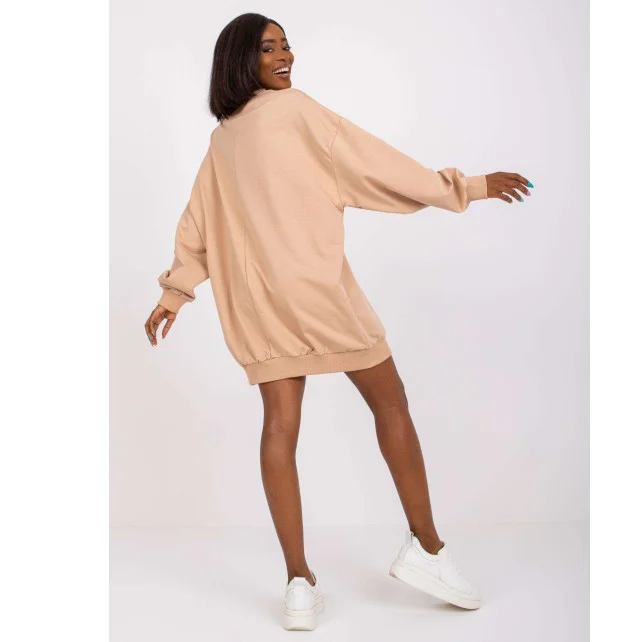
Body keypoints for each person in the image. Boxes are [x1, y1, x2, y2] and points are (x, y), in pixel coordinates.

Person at [144, 13, 533, 631]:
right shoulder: (296, 112)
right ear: (240, 59)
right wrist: (470, 186)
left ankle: (299, 583)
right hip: (317, 293)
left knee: (279, 427)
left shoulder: (223, 141)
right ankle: (427, 549)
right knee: (391, 403)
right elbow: (376, 165)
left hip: (257, 306)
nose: (285, 55)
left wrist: (175, 293)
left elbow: (197, 223)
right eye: (268, 47)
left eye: (286, 44)